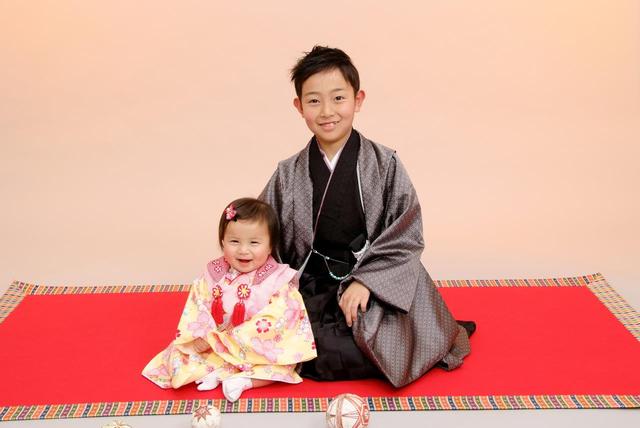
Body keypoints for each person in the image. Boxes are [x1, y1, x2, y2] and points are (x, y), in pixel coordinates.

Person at [260, 46, 473, 388]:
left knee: (375, 345)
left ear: (358, 100)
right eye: (314, 101)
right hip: (313, 282)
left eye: (338, 98)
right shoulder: (288, 173)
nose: (327, 112)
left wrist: (366, 281)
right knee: (304, 345)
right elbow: (264, 231)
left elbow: (406, 233)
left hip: (373, 282)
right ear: (299, 107)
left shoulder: (385, 163)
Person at [142, 198, 317, 401]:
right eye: (234, 241)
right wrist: (205, 337)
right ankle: (219, 373)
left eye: (254, 242)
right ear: (222, 242)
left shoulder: (277, 279)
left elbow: (282, 317)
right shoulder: (215, 273)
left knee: (283, 364)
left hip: (258, 347)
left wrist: (237, 339)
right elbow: (198, 304)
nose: (243, 250)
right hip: (216, 344)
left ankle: (245, 381)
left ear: (270, 246)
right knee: (180, 356)